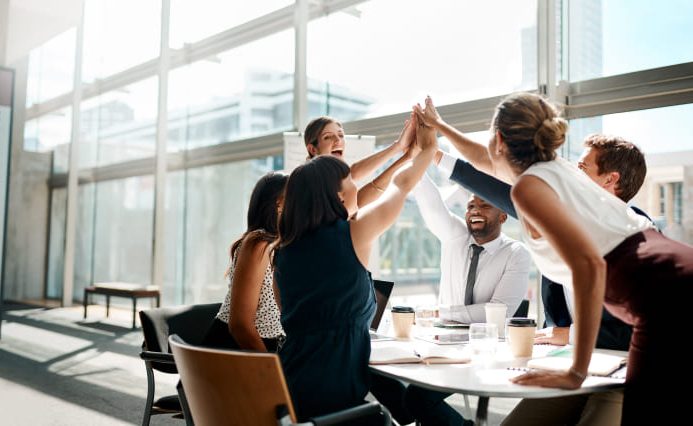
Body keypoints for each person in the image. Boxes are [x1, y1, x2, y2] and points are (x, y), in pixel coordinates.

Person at [416, 93, 693, 425]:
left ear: (499, 140)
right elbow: (485, 162)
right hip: (671, 275)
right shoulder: (555, 170)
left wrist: (575, 372)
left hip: (663, 298)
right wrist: (439, 128)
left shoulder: (531, 188)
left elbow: (590, 267)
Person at [432, 135, 649, 425]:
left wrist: (567, 334)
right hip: (568, 365)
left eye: (582, 168)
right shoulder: (564, 219)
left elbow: (633, 332)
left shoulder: (634, 232)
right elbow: (505, 188)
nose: (572, 173)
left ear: (611, 180)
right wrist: (435, 155)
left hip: (622, 374)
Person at [273, 113, 437, 420]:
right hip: (333, 397)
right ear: (337, 194)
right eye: (350, 181)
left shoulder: (282, 251)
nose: (355, 187)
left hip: (286, 387)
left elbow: (290, 317)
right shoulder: (354, 232)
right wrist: (426, 149)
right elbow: (400, 187)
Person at [402, 180, 530, 425]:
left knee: (417, 398)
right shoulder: (456, 238)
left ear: (504, 215)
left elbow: (497, 313)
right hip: (439, 345)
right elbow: (432, 204)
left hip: (483, 352)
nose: (475, 210)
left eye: (484, 205)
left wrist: (444, 312)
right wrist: (417, 163)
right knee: (384, 378)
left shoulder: (516, 253)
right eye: (471, 205)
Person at [201, 172, 287, 352]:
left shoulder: (281, 244)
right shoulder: (259, 244)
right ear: (279, 203)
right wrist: (270, 372)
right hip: (237, 351)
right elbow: (240, 326)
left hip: (265, 347)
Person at [303, 116, 415, 206]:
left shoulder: (331, 181)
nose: (338, 140)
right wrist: (401, 150)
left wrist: (403, 151)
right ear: (312, 149)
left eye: (341, 135)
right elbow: (359, 193)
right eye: (327, 137)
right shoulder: (309, 182)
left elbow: (353, 175)